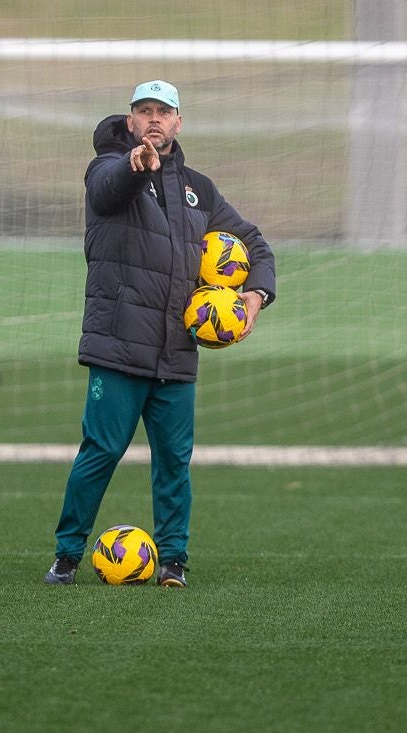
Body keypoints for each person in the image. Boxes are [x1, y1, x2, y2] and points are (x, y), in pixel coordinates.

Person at [44, 80, 277, 588]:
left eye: (163, 111)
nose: (153, 119)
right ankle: (66, 557)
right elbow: (108, 187)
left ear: (178, 122)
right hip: (118, 344)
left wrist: (254, 297)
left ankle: (173, 561)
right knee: (101, 450)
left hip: (176, 350)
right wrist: (134, 167)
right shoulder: (107, 169)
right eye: (143, 110)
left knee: (174, 460)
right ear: (130, 122)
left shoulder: (200, 189)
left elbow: (254, 243)